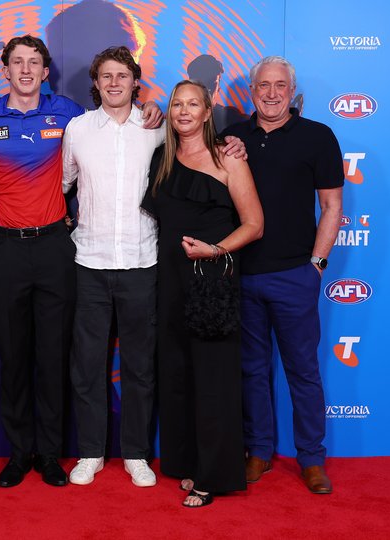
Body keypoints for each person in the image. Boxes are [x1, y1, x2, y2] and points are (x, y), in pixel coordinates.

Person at [0, 35, 163, 489]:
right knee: (13, 358)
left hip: (58, 249)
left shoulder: (69, 115)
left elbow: (69, 179)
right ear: (6, 70)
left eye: (35, 62)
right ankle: (19, 453)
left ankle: (51, 454)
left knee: (54, 358)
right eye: (18, 62)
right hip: (7, 249)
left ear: (46, 70)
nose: (26, 70)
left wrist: (154, 107)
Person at [222, 56, 343, 494]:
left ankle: (311, 458)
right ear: (251, 91)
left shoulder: (318, 137)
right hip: (243, 276)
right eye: (263, 86)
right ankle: (259, 452)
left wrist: (317, 266)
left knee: (303, 372)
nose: (271, 94)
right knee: (251, 371)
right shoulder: (232, 138)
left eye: (280, 86)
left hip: (296, 275)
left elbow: (331, 207)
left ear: (292, 91)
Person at [141, 80, 263, 507]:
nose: (184, 111)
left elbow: (254, 224)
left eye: (194, 104)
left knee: (213, 380)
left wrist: (215, 250)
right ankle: (188, 464)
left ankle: (214, 475)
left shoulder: (228, 157)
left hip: (212, 278)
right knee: (178, 376)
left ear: (208, 112)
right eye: (177, 104)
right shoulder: (161, 158)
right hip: (170, 280)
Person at [62, 46, 164, 488]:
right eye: (106, 76)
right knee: (87, 365)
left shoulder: (156, 128)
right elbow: (61, 184)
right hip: (89, 262)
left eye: (123, 75)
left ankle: (137, 454)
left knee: (140, 365)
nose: (115, 83)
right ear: (97, 82)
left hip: (143, 261)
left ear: (136, 81)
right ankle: (91, 452)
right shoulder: (77, 129)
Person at [187, 54, 246, 133]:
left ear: (218, 88)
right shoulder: (178, 116)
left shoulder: (232, 118)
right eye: (202, 84)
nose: (207, 91)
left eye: (212, 84)